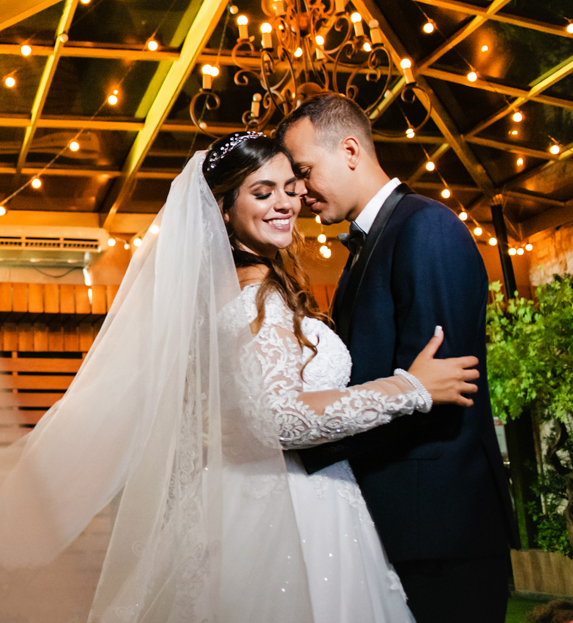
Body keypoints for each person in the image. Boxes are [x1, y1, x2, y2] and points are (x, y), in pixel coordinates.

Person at [202, 130, 480, 623]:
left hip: (294, 500)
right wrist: (407, 388)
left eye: (291, 186)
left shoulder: (243, 299)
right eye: (262, 193)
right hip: (302, 510)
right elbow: (280, 418)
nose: (288, 202)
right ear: (223, 211)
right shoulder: (256, 304)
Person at [276, 94, 518, 623]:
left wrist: (313, 448)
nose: (298, 191)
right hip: (399, 523)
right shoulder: (369, 246)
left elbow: (444, 388)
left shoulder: (425, 229)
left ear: (349, 149)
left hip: (439, 526)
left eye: (303, 171)